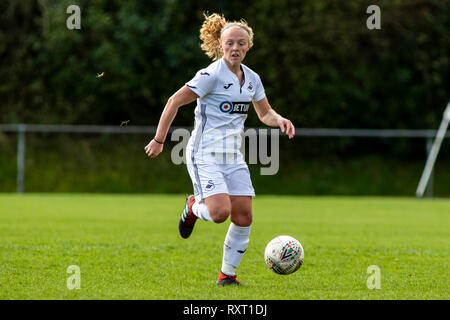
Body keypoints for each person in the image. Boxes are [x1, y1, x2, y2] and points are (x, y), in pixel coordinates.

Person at [144, 13, 295, 286]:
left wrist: (279, 119)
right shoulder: (210, 76)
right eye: (229, 43)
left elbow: (264, 113)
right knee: (219, 213)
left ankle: (227, 276)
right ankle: (193, 206)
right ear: (220, 45)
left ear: (248, 46)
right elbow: (174, 102)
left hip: (233, 157)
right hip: (204, 154)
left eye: (241, 43)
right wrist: (159, 140)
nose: (235, 48)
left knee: (244, 215)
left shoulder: (252, 79)